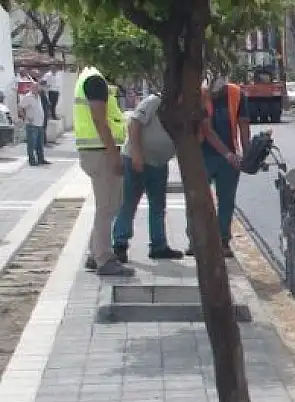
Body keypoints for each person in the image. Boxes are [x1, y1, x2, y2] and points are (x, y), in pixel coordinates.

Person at [111, 91, 185, 262]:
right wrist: (137, 154)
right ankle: (119, 245)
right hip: (137, 159)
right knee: (129, 203)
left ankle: (158, 246)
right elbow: (134, 124)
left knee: (158, 206)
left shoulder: (185, 110)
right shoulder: (155, 101)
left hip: (159, 163)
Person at [75, 66, 134, 277]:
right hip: (101, 152)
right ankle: (104, 259)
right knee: (107, 207)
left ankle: (96, 253)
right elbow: (100, 121)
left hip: (95, 151)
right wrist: (113, 154)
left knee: (107, 205)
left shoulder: (87, 78)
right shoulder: (95, 81)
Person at [193, 75, 249, 258]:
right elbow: (206, 130)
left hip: (229, 158)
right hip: (204, 154)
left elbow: (243, 125)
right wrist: (228, 154)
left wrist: (247, 155)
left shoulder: (236, 94)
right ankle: (196, 241)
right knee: (198, 200)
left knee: (226, 201)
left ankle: (222, 241)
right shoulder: (200, 95)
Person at [17, 81, 45, 166]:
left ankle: (41, 159)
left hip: (39, 123)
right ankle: (32, 161)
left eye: (37, 87)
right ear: (31, 88)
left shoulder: (38, 96)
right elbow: (20, 108)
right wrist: (25, 117)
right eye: (35, 87)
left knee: (40, 144)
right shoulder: (28, 97)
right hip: (32, 124)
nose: (37, 89)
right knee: (31, 144)